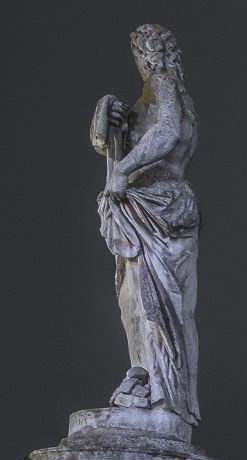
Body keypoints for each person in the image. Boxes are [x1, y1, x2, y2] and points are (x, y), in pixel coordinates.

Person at [93, 24, 201, 426]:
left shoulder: (162, 83)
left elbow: (168, 131)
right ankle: (144, 376)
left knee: (161, 305)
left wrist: (123, 169)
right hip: (144, 207)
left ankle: (166, 395)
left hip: (162, 206)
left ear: (149, 53)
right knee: (133, 298)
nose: (140, 57)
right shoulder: (155, 92)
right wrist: (108, 117)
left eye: (140, 50)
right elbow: (109, 141)